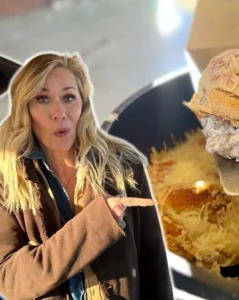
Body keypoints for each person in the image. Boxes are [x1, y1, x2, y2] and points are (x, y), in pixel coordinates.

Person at [0, 52, 174, 300]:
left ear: (83, 104)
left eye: (69, 97)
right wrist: (97, 223)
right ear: (25, 109)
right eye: (42, 99)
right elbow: (10, 281)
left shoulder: (124, 165)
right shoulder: (6, 178)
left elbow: (153, 264)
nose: (59, 112)